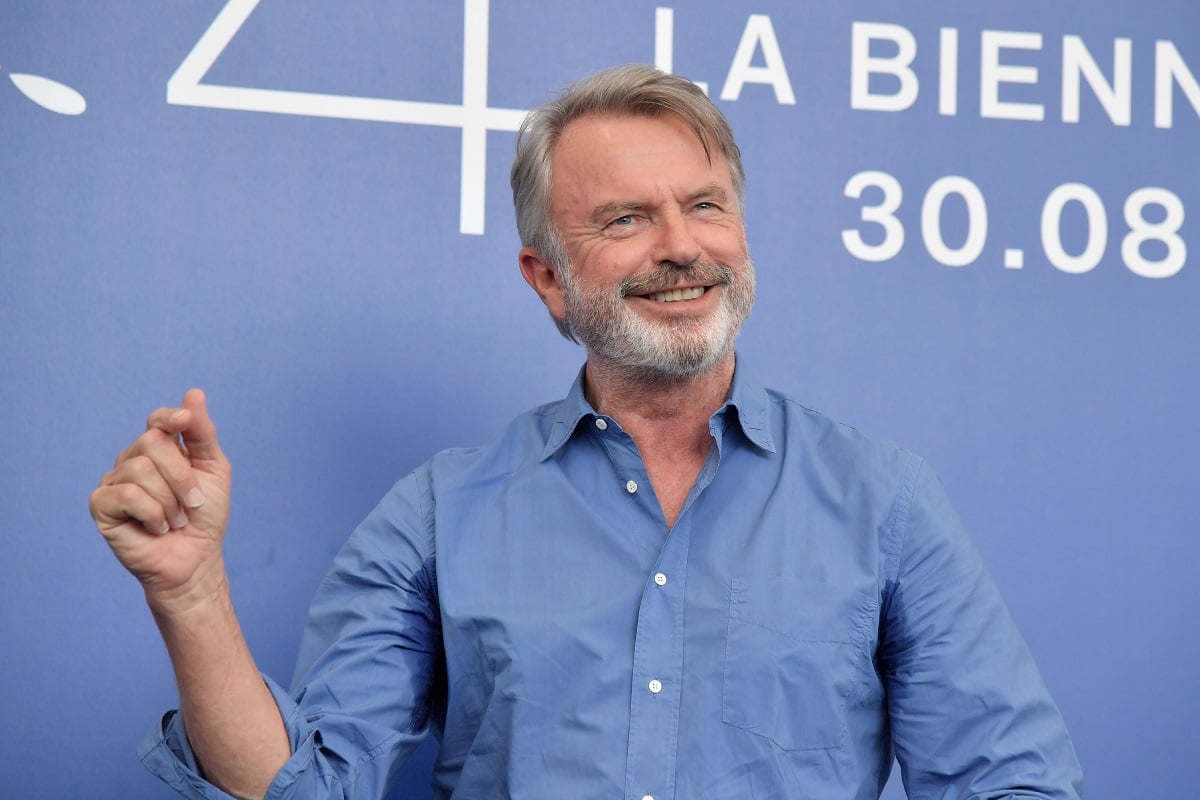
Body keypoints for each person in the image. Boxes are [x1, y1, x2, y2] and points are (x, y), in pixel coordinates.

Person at [90, 64, 1083, 800]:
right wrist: (192, 592)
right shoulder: (440, 513)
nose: (682, 244)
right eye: (626, 219)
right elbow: (304, 790)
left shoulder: (883, 500)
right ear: (548, 277)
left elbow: (1015, 784)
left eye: (705, 205)